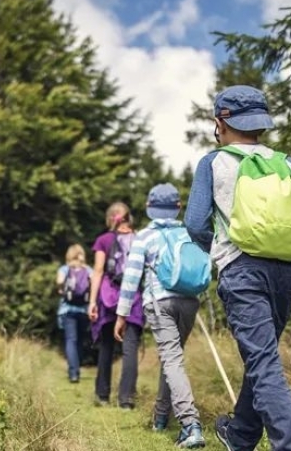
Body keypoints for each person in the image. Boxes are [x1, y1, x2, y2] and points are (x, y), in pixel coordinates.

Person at [185, 85, 291, 451]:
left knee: (264, 363)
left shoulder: (213, 162)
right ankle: (240, 435)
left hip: (242, 272)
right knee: (262, 356)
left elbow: (194, 223)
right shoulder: (285, 162)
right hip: (285, 273)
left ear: (221, 121)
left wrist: (220, 254)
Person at [115, 183, 207, 449]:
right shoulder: (189, 233)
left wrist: (121, 315)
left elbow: (131, 278)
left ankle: (190, 425)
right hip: (189, 302)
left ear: (148, 207)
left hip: (159, 302)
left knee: (171, 359)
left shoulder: (144, 237)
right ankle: (161, 417)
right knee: (173, 359)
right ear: (179, 207)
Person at [87, 202, 144, 408]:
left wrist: (92, 302)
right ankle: (126, 399)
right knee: (130, 347)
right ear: (128, 217)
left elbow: (98, 270)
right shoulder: (139, 239)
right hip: (134, 296)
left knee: (107, 346)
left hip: (108, 296)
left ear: (110, 218)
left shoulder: (103, 240)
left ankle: (102, 395)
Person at [56, 244, 93, 383]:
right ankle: (77, 369)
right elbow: (95, 282)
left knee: (71, 340)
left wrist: (61, 289)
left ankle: (73, 373)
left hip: (67, 309)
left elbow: (59, 281)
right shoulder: (88, 269)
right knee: (80, 340)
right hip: (84, 310)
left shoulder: (65, 269)